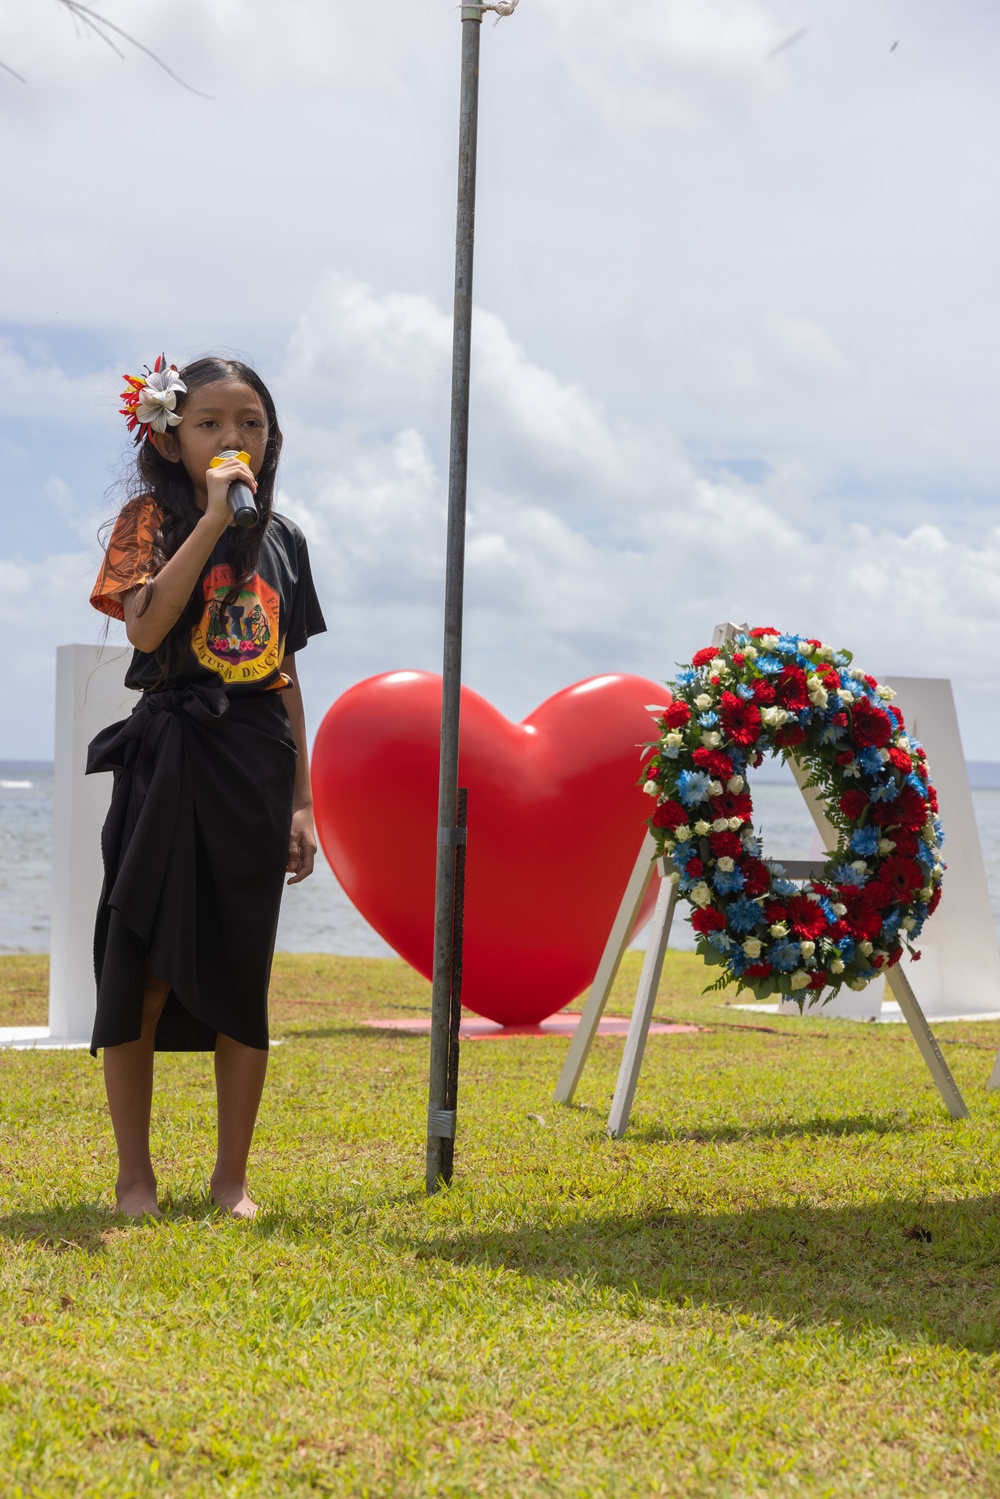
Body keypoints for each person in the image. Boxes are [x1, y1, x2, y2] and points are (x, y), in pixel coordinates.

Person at [88, 355, 326, 1219]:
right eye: (212, 424)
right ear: (171, 436)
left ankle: (232, 1179)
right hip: (168, 752)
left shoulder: (286, 539)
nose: (234, 439)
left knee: (241, 967)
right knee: (141, 965)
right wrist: (211, 523)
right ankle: (135, 1178)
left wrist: (303, 800)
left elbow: (286, 670)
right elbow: (147, 626)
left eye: (251, 424)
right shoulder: (146, 520)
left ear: (272, 437)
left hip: (254, 759)